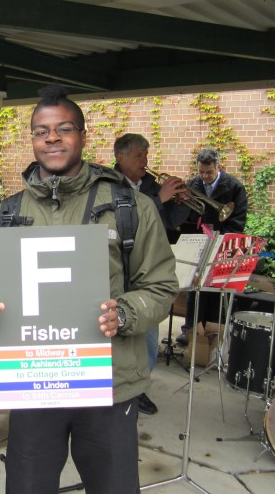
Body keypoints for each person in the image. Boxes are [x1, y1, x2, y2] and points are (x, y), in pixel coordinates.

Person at [0, 85, 178, 494]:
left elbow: (160, 286)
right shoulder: (6, 215)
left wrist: (123, 313)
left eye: (63, 128)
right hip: (33, 381)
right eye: (41, 130)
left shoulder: (130, 207)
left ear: (83, 136)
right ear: (32, 139)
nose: (52, 138)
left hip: (109, 382)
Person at [113, 133, 190, 415]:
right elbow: (131, 220)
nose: (145, 160)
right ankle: (133, 389)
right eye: (138, 155)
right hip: (123, 271)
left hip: (147, 268)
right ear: (121, 158)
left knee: (149, 331)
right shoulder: (110, 185)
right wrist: (158, 198)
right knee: (135, 334)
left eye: (146, 154)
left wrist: (179, 204)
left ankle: (140, 386)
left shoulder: (149, 185)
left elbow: (167, 223)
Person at [177, 148, 248, 345]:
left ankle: (212, 331)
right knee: (195, 286)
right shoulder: (193, 184)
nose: (204, 176)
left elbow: (238, 220)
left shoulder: (234, 187)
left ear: (218, 167)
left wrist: (220, 239)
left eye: (209, 172)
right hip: (199, 241)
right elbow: (188, 216)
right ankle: (190, 329)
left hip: (221, 243)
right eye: (201, 172)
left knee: (215, 289)